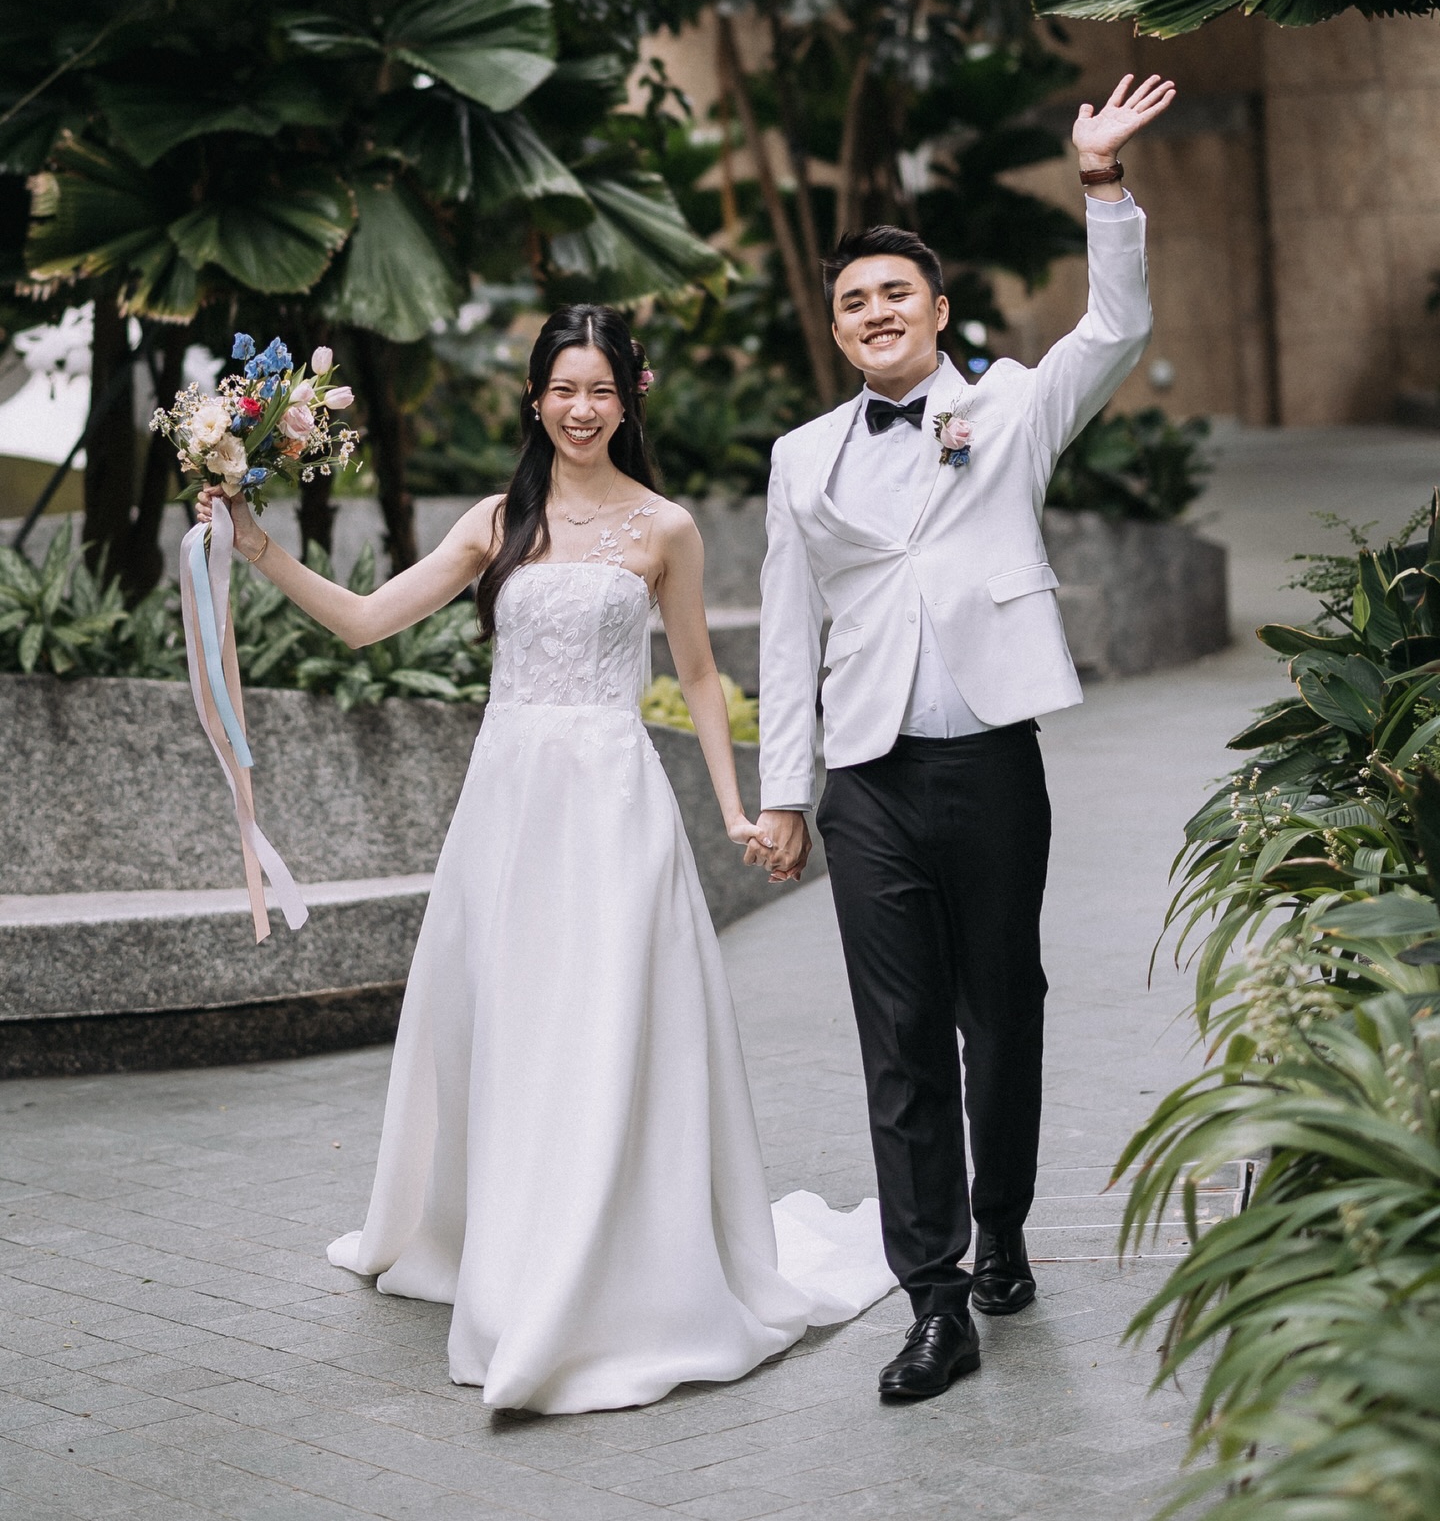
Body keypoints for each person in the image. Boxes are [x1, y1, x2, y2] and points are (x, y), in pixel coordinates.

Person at [196, 304, 893, 1413]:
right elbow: (369, 620)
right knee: (511, 1022)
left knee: (608, 1017)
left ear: (630, 398)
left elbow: (703, 676)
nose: (583, 408)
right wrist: (259, 546)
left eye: (602, 390)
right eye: (564, 389)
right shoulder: (495, 522)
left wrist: (739, 805)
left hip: (615, 801)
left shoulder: (664, 528)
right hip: (509, 807)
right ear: (535, 399)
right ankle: (511, 1240)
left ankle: (606, 1259)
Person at [748, 73, 1176, 1400]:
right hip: (866, 779)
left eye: (896, 296)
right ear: (837, 330)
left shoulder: (1009, 411)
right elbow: (783, 627)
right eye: (853, 303)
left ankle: (1001, 1231)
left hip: (989, 757)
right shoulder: (801, 456)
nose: (875, 314)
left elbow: (1116, 324)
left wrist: (1102, 181)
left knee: (1006, 1009)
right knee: (900, 1033)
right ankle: (934, 1297)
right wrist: (784, 794)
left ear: (936, 311)